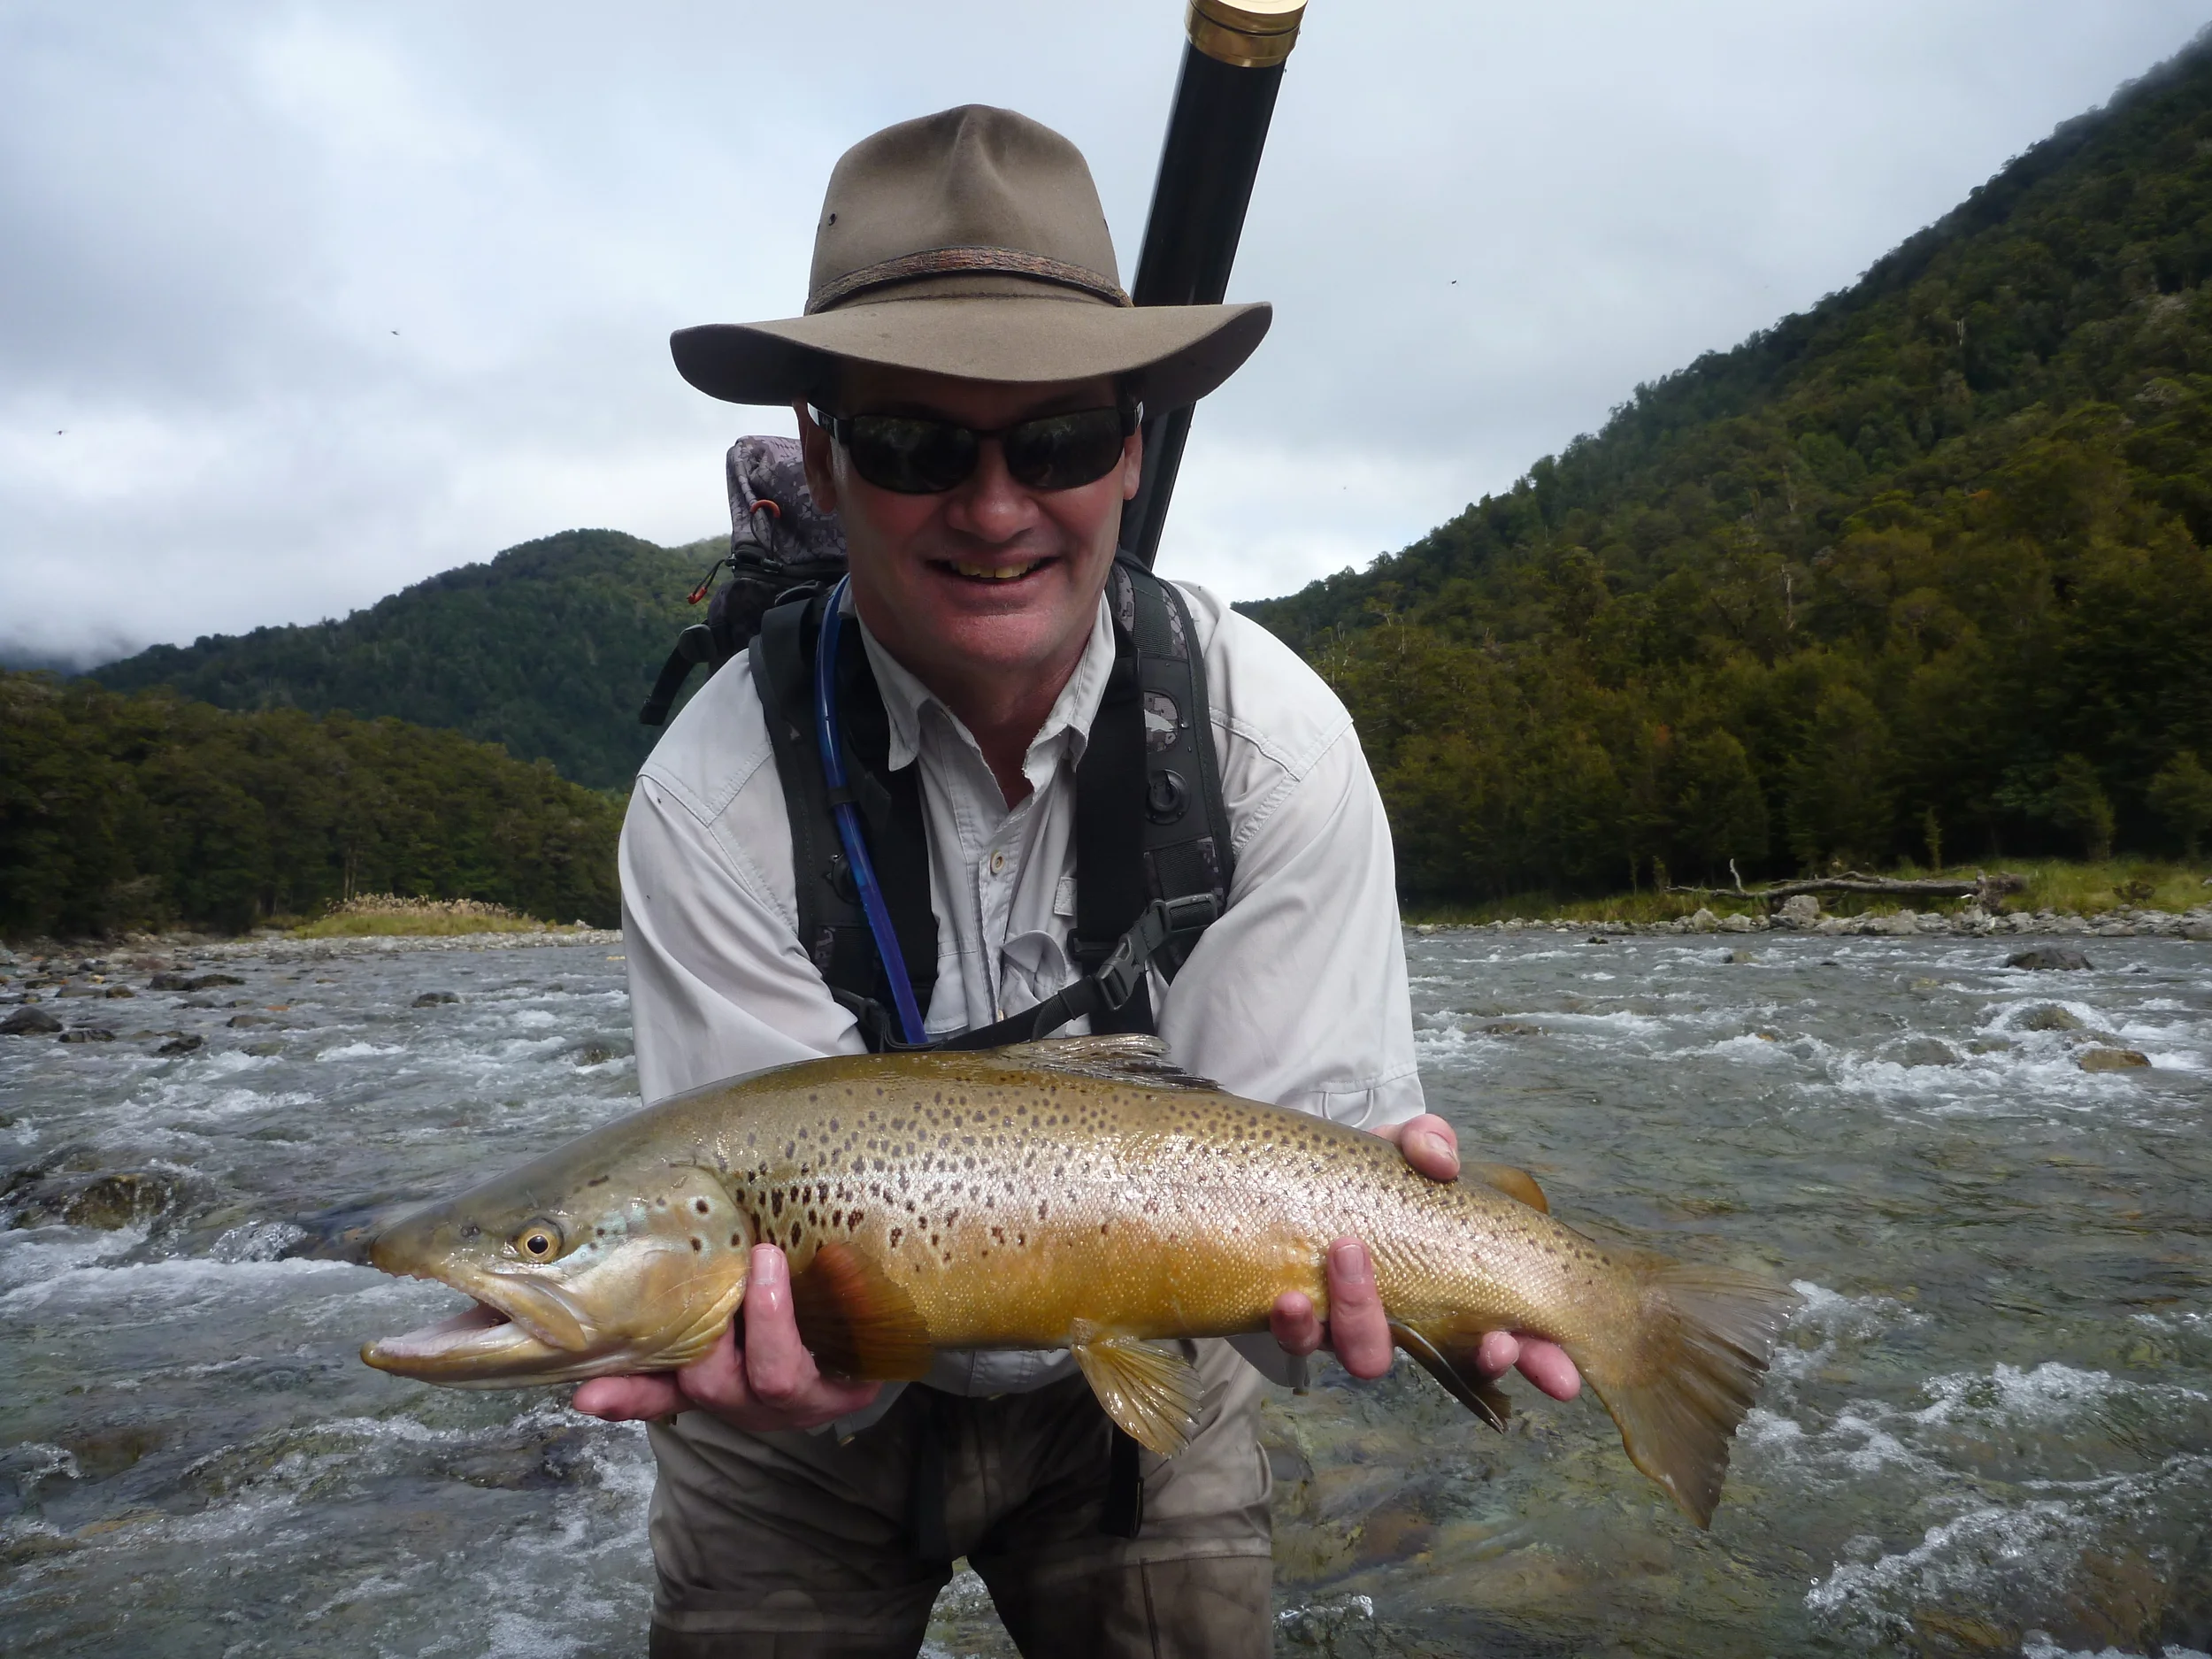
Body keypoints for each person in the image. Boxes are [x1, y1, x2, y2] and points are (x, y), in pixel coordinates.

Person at [574, 104, 1577, 1658]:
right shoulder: (710, 801)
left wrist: (1439, 1281)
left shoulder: (1273, 747)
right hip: (797, 1430)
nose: (992, 509)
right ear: (826, 463)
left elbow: (1294, 1184)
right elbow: (762, 1216)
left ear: (1130, 452)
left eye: (1052, 440)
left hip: (1148, 1381)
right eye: (917, 444)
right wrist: (786, 1342)